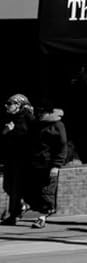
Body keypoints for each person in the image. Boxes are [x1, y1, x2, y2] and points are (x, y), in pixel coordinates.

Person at [24, 102, 68, 227]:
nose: (39, 114)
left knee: (47, 190)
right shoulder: (38, 124)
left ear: (49, 113)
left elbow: (62, 146)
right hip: (37, 163)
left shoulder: (57, 125)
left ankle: (43, 216)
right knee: (36, 189)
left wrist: (56, 165)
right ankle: (37, 210)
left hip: (49, 163)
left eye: (41, 112)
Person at [1, 93, 35, 226]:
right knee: (8, 186)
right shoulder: (8, 118)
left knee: (16, 187)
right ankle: (21, 206)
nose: (6, 105)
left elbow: (31, 137)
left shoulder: (28, 118)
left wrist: (13, 131)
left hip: (22, 158)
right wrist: (5, 131)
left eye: (10, 103)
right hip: (10, 157)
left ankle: (14, 214)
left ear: (18, 105)